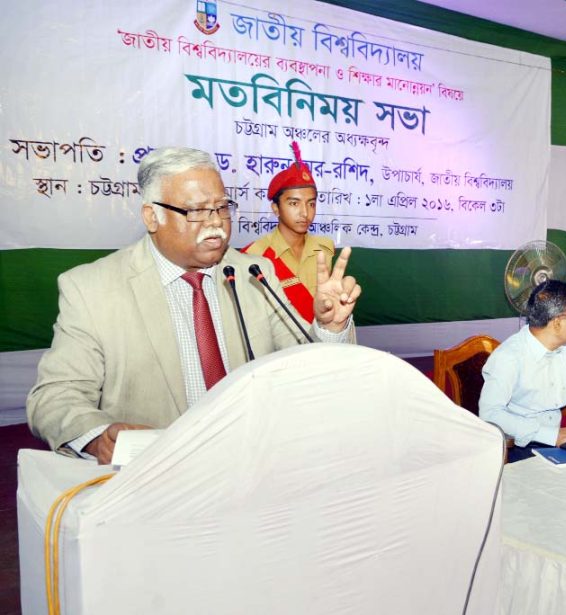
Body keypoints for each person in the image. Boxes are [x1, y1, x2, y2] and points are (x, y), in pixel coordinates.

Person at [26, 147, 361, 464]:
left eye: (222, 207)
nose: (216, 222)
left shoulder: (254, 272)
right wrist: (98, 437)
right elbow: (55, 397)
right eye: (197, 211)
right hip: (157, 482)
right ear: (152, 216)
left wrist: (331, 328)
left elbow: (305, 365)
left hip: (255, 461)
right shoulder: (92, 288)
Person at [479, 280, 566, 463]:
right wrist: (550, 435)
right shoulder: (509, 356)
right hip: (519, 449)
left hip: (560, 444)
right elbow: (490, 414)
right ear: (558, 322)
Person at [243, 142, 333, 322]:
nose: (305, 213)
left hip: (321, 342)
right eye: (294, 203)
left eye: (311, 204)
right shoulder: (254, 255)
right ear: (275, 208)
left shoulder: (326, 248)